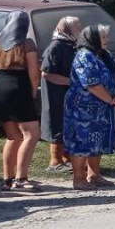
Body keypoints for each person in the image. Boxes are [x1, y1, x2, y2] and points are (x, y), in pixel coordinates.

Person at [0, 11, 42, 191]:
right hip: (19, 88)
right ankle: (21, 178)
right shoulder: (27, 44)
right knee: (31, 134)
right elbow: (34, 73)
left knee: (13, 137)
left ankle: (7, 179)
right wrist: (33, 93)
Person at [64, 25, 115, 190]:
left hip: (103, 107)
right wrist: (110, 99)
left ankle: (94, 175)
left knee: (98, 139)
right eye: (104, 37)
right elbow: (91, 84)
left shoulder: (106, 55)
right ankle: (79, 178)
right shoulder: (84, 56)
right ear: (93, 38)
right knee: (81, 141)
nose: (107, 40)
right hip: (83, 108)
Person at [40, 15, 82, 175]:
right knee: (57, 123)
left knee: (67, 124)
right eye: (77, 28)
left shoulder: (71, 45)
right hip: (55, 93)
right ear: (67, 30)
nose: (80, 30)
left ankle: (66, 159)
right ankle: (55, 161)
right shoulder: (56, 46)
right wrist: (71, 82)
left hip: (67, 93)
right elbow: (46, 73)